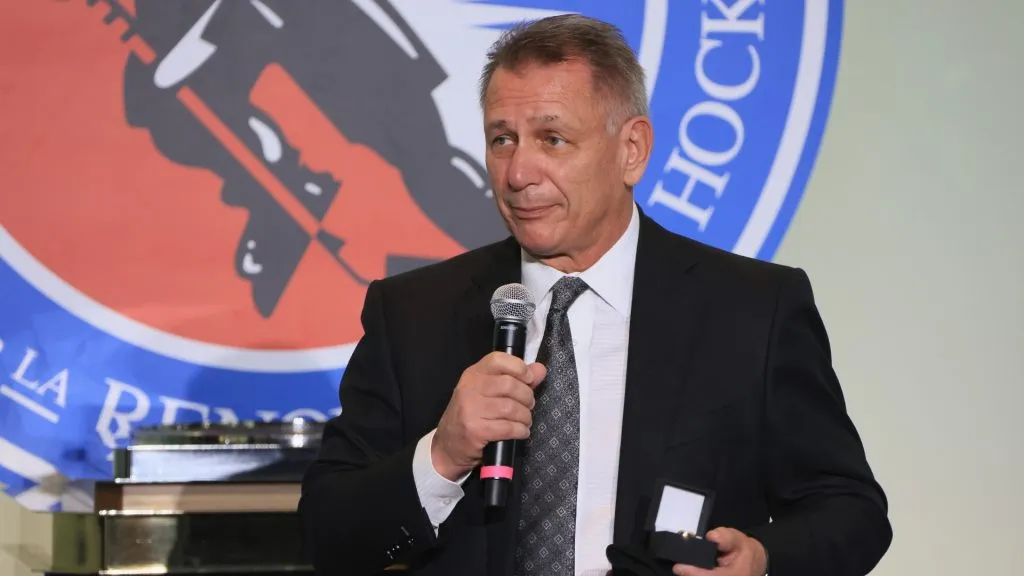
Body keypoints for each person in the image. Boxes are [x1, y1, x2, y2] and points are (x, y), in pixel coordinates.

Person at [299, 14, 891, 576]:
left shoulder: (753, 310)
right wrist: (443, 453)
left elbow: (850, 510)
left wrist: (762, 559)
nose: (518, 172)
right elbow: (328, 534)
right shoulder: (413, 314)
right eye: (502, 139)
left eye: (552, 139)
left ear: (631, 149)